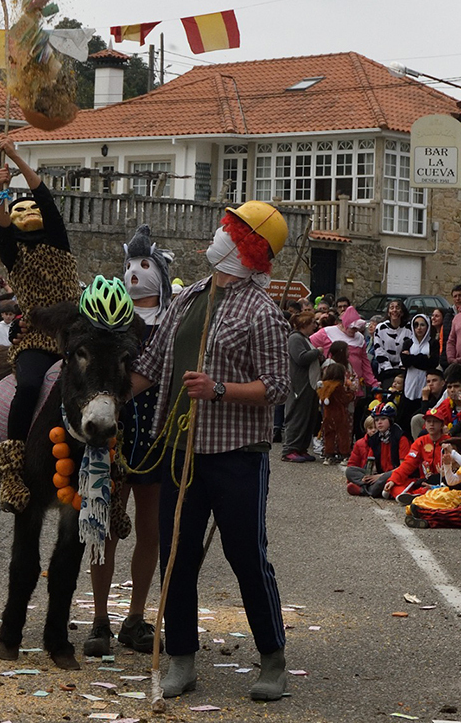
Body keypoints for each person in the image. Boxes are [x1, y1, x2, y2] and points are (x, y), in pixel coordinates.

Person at [130, 199, 290, 701]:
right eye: (226, 227)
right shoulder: (190, 296)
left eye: (232, 231)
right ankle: (181, 659)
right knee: (176, 557)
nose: (219, 236)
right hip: (180, 450)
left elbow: (278, 385)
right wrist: (106, 399)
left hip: (237, 454)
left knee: (246, 556)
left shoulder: (261, 311)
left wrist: (219, 389)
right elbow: (151, 366)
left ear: (248, 249)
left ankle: (273, 659)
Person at [84, 224, 174, 658]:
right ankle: (99, 619)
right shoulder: (107, 318)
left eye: (143, 265)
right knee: (104, 528)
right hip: (111, 438)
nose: (134, 273)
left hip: (156, 439)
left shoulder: (174, 320)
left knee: (150, 530)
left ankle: (136, 617)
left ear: (159, 271)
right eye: (128, 265)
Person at [0, 139, 82, 514]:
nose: (28, 210)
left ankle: (114, 468)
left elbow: (43, 194)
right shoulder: (14, 255)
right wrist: (2, 190)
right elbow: (0, 229)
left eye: (31, 207)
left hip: (73, 331)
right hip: (36, 338)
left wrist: (15, 158)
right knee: (28, 386)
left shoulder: (59, 242)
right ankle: (11, 470)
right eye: (18, 208)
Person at [404, 436, 461, 512]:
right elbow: (452, 481)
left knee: (445, 498)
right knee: (437, 492)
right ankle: (418, 506)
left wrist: (452, 452)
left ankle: (422, 510)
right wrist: (447, 465)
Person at [281, 311, 322, 463]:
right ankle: (290, 449)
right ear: (304, 323)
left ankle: (301, 448)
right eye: (312, 322)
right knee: (297, 416)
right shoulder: (295, 338)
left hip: (310, 384)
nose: (315, 325)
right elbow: (301, 358)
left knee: (308, 417)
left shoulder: (305, 338)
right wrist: (317, 351)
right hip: (300, 385)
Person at [346, 402, 410, 498]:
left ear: (390, 420)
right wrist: (368, 476)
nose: (379, 422)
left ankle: (364, 490)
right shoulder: (375, 438)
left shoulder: (401, 437)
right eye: (376, 420)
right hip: (379, 474)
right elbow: (372, 464)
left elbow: (403, 468)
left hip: (394, 473)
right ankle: (372, 487)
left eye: (383, 419)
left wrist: (379, 477)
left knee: (385, 477)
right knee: (350, 471)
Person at [384, 405, 447, 501]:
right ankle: (413, 497)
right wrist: (393, 480)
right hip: (423, 481)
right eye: (429, 421)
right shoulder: (420, 442)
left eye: (435, 421)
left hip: (442, 482)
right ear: (425, 424)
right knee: (394, 485)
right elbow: (408, 463)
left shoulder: (449, 442)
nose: (432, 424)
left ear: (442, 425)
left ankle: (418, 497)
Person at [399, 313, 439, 431]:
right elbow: (405, 361)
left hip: (424, 382)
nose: (419, 328)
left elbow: (432, 363)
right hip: (409, 385)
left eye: (422, 325)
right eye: (416, 325)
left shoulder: (433, 343)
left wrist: (412, 358)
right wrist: (423, 358)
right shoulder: (408, 343)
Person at [317, 362, 356, 465]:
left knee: (329, 434)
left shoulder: (324, 385)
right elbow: (344, 399)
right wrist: (352, 394)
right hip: (339, 414)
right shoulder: (337, 386)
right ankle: (344, 455)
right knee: (342, 435)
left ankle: (328, 455)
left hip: (327, 415)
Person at [373, 300, 411, 386]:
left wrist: (402, 367)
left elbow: (408, 348)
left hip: (403, 370)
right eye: (391, 308)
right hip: (385, 370)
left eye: (397, 308)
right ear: (388, 312)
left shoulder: (408, 328)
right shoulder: (381, 328)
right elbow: (379, 350)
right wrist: (388, 369)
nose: (394, 310)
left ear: (402, 312)